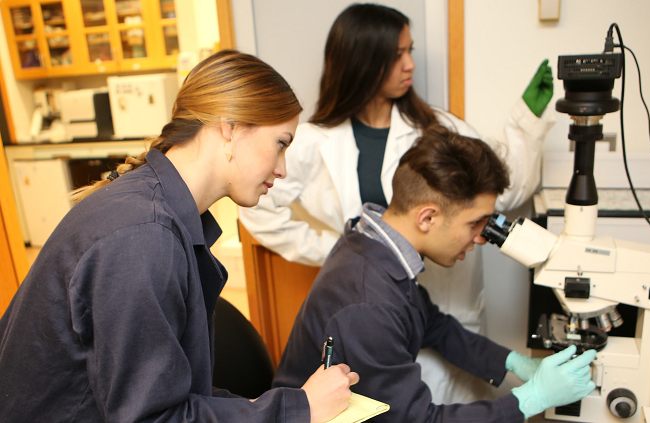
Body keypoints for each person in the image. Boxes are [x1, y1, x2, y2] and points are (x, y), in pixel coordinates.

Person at [0, 50, 358, 423]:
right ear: (230, 127)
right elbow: (153, 417)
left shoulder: (155, 211)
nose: (282, 168)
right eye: (281, 144)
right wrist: (300, 407)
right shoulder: (145, 236)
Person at [238, 3, 556, 403]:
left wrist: (526, 121)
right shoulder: (317, 140)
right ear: (361, 59)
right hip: (380, 302)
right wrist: (331, 250)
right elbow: (260, 209)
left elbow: (493, 192)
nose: (410, 65)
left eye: (411, 51)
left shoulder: (436, 127)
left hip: (428, 301)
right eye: (396, 55)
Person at [273, 127, 597, 423]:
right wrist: (529, 400)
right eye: (475, 223)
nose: (482, 237)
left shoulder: (370, 241)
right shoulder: (367, 302)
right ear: (427, 218)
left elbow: (436, 326)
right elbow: (421, 421)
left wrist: (515, 363)